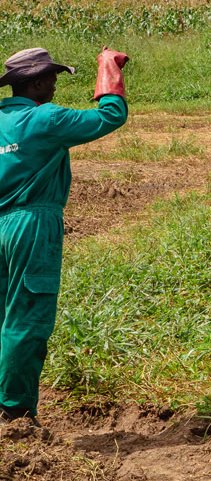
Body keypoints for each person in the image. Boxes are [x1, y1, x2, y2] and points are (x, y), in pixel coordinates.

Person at [0, 47, 128, 425]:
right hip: (30, 224)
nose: (55, 86)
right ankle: (15, 411)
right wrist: (108, 69)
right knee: (27, 317)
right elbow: (110, 116)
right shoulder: (46, 118)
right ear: (37, 83)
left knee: (4, 316)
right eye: (53, 79)